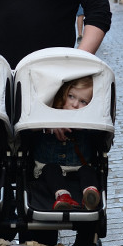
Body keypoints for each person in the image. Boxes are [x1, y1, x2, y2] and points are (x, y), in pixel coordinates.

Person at [33, 76, 101, 211]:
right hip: (50, 166)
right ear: (63, 94)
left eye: (83, 102)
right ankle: (63, 196)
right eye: (71, 96)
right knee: (50, 169)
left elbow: (99, 138)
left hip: (78, 167)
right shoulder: (47, 116)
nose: (75, 105)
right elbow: (32, 131)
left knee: (88, 170)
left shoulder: (91, 122)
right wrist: (50, 125)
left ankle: (90, 193)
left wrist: (84, 129)